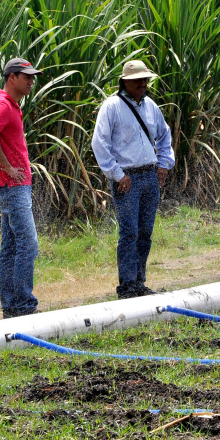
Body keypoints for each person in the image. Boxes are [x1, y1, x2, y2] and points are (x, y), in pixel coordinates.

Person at [91, 60, 175, 299]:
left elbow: (164, 134)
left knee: (145, 232)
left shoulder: (150, 106)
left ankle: (139, 281)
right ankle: (127, 286)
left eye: (145, 79)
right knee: (129, 232)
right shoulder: (112, 107)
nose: (142, 83)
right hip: (127, 179)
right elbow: (100, 143)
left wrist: (164, 164)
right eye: (137, 79)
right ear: (124, 82)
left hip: (149, 175)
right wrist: (117, 174)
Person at [0, 58, 42, 318]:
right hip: (12, 186)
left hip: (12, 186)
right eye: (26, 76)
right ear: (12, 78)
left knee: (11, 247)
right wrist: (7, 167)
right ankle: (23, 305)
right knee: (28, 245)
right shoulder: (3, 105)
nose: (31, 81)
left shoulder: (11, 105)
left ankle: (11, 306)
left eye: (32, 76)